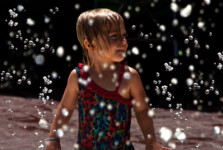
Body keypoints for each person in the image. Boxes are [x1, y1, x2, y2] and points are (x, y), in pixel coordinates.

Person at [45, 8, 170, 150]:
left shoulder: (129, 77)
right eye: (114, 37)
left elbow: (142, 111)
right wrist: (53, 138)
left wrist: (151, 142)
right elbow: (65, 108)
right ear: (90, 44)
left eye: (124, 35)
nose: (123, 41)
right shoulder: (78, 77)